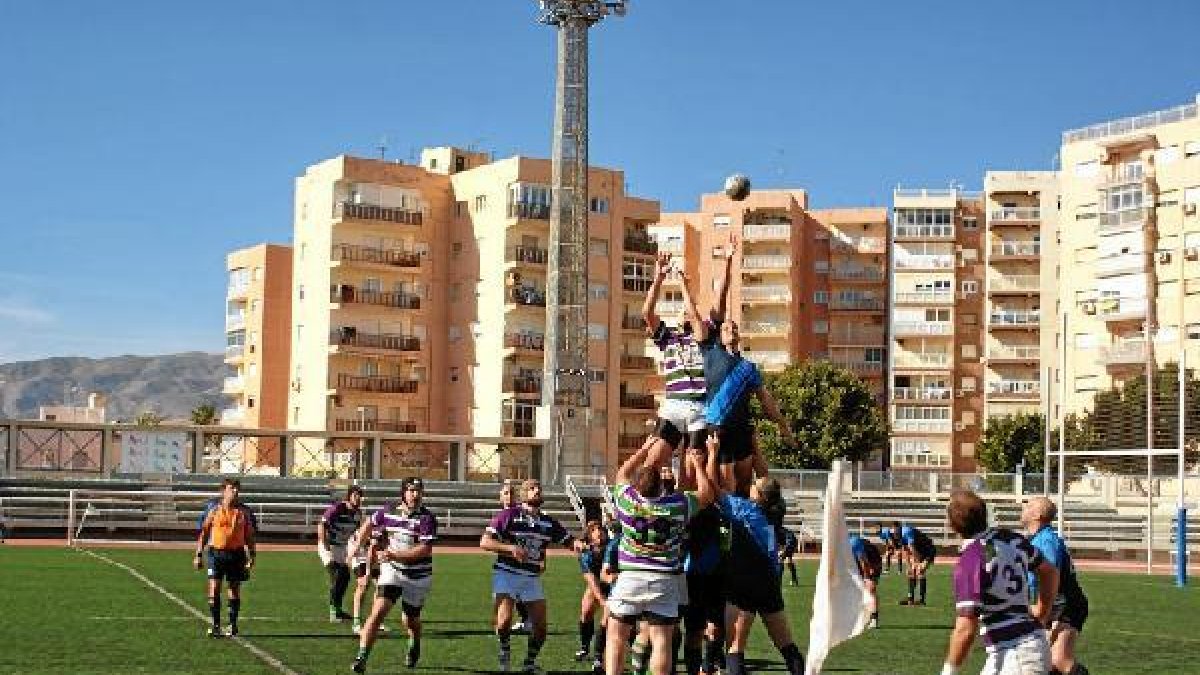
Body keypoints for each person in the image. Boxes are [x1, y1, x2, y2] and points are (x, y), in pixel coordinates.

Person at [604, 437, 715, 675]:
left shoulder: (627, 502)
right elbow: (707, 494)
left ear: (637, 487)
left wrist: (644, 449)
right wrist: (697, 464)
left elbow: (622, 473)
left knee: (616, 637)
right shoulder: (677, 505)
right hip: (665, 579)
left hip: (630, 577)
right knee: (661, 640)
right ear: (662, 486)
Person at [707, 435, 806, 675]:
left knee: (735, 646)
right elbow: (765, 476)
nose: (752, 482)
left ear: (759, 496)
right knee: (786, 644)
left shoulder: (744, 510)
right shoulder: (776, 510)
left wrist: (712, 453)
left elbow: (712, 489)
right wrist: (754, 446)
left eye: (755, 485)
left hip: (743, 582)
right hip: (769, 582)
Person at [941, 490, 1056, 675]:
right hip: (1025, 646)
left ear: (952, 525)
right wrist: (1043, 611)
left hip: (1015, 653)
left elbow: (965, 629)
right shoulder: (1010, 538)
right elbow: (1049, 571)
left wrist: (948, 671)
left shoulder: (970, 560)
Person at [481, 479, 585, 674]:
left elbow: (570, 542)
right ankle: (504, 648)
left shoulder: (548, 521)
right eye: (532, 488)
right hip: (506, 573)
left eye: (539, 488)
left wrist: (579, 545)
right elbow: (485, 542)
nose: (537, 490)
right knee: (503, 622)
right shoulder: (509, 515)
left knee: (541, 628)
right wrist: (510, 548)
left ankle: (529, 662)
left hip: (531, 577)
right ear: (523, 494)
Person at [640, 250, 717, 473]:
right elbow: (647, 312)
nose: (686, 314)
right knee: (653, 461)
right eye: (683, 312)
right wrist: (659, 278)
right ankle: (645, 500)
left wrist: (684, 285)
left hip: (700, 408)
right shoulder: (669, 338)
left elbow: (695, 316)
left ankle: (686, 505)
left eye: (689, 312)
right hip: (674, 404)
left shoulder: (705, 339)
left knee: (693, 468)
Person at [700, 317, 796, 495]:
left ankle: (744, 520)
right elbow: (703, 318)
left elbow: (765, 399)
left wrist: (782, 424)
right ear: (718, 335)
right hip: (720, 428)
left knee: (745, 485)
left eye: (734, 327)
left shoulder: (749, 367)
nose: (731, 330)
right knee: (726, 486)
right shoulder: (709, 354)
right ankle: (726, 521)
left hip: (742, 429)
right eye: (726, 328)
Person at [352, 477, 438, 673]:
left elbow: (424, 550)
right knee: (377, 614)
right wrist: (358, 545)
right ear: (403, 493)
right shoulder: (388, 511)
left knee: (410, 620)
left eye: (418, 491)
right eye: (411, 490)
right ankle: (362, 657)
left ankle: (415, 641)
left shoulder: (427, 518)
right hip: (392, 571)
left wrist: (394, 554)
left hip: (417, 576)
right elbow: (369, 523)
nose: (415, 495)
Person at [1021, 497, 1090, 675]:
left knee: (1059, 661)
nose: (1024, 508)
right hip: (1053, 604)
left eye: (1028, 506)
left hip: (1064, 604)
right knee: (1045, 663)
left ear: (1038, 515)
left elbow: (1050, 578)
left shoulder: (1046, 541)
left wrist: (1041, 613)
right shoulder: (1036, 540)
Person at [194, 478, 256, 638]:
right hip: (216, 553)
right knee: (214, 587)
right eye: (231, 488)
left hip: (237, 554)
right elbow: (204, 532)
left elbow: (249, 536)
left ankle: (232, 624)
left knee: (234, 589)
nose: (235, 491)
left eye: (237, 488)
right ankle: (215, 625)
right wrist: (198, 554)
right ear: (223, 491)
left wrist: (252, 555)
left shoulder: (245, 511)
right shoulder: (213, 509)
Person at [318, 485, 364, 623]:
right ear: (349, 496)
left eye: (360, 496)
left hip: (343, 548)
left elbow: (357, 532)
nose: (358, 499)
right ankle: (334, 612)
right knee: (337, 576)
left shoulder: (357, 513)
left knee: (344, 578)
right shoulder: (337, 509)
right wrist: (325, 544)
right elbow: (322, 525)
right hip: (330, 546)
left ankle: (337, 610)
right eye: (356, 495)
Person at [576, 521, 611, 671]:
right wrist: (603, 601)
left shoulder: (613, 546)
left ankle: (598, 656)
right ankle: (584, 647)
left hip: (615, 584)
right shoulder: (585, 554)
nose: (598, 532)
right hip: (596, 584)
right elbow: (592, 581)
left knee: (607, 618)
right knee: (586, 612)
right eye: (594, 530)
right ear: (588, 535)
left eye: (600, 529)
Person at [499, 482, 533, 633]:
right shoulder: (501, 515)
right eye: (506, 493)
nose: (509, 496)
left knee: (519, 592)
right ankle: (525, 620)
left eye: (512, 493)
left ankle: (528, 620)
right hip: (506, 560)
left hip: (522, 560)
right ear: (500, 497)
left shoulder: (522, 514)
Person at [895, 520, 936, 605]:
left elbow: (912, 548)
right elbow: (905, 551)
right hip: (919, 551)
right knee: (911, 572)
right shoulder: (900, 536)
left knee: (920, 571)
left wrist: (918, 563)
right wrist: (908, 566)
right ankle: (910, 598)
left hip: (928, 551)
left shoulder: (907, 532)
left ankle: (921, 600)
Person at [849, 534, 882, 629]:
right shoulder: (840, 547)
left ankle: (874, 619)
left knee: (871, 589)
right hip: (859, 564)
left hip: (873, 562)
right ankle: (859, 616)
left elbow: (864, 561)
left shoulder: (853, 542)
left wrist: (867, 577)